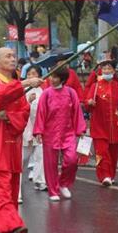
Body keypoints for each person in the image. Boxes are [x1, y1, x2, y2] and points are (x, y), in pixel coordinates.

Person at [0, 47, 43, 233]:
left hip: (13, 140)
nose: (12, 59)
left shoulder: (15, 84)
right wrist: (25, 83)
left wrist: (8, 117)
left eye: (14, 56)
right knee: (1, 186)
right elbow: (0, 96)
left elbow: (24, 112)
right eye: (8, 56)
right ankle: (14, 224)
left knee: (13, 185)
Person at [33, 67, 86, 201]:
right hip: (50, 133)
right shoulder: (46, 94)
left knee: (72, 160)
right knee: (50, 164)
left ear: (62, 79)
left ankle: (64, 184)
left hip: (68, 133)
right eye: (51, 76)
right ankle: (53, 191)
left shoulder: (71, 93)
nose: (52, 79)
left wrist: (80, 130)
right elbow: (41, 113)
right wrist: (39, 131)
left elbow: (77, 112)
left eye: (55, 77)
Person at [85, 57, 118, 186]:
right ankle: (105, 176)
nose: (107, 70)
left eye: (109, 68)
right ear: (100, 71)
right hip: (98, 125)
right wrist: (89, 103)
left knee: (113, 153)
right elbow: (87, 104)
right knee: (102, 152)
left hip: (113, 126)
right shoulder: (95, 86)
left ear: (114, 70)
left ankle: (111, 174)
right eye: (104, 68)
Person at [22, 65, 45, 193]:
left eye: (34, 74)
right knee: (24, 157)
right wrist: (28, 102)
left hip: (39, 128)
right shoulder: (23, 91)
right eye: (29, 74)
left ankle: (40, 181)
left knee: (40, 155)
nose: (31, 76)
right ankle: (17, 179)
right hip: (26, 128)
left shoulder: (43, 92)